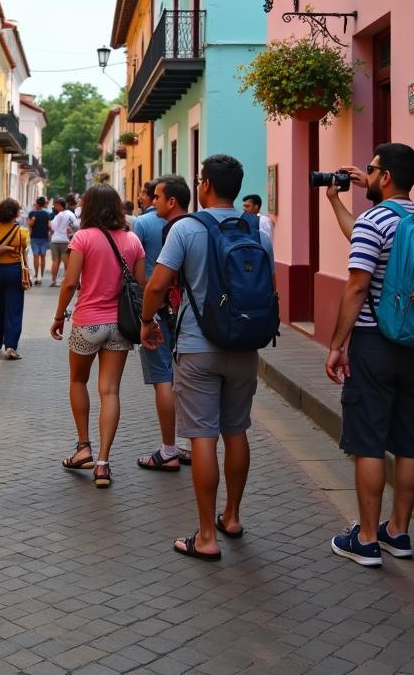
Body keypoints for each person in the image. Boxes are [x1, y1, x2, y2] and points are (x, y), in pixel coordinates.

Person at [141, 154, 273, 561]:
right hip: (245, 345)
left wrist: (147, 321)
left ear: (205, 186)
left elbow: (158, 285)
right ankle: (231, 518)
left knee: (202, 437)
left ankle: (205, 536)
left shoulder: (186, 229)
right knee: (237, 431)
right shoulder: (258, 231)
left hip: (199, 347)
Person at [324, 144, 414, 567]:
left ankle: (368, 539)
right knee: (409, 440)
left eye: (371, 171)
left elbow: (357, 284)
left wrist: (337, 345)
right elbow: (361, 239)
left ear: (386, 176)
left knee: (369, 441)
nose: (366, 176)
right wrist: (336, 199)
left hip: (375, 344)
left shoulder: (375, 221)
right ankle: (399, 532)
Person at [50, 185, 145, 488]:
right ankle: (103, 463)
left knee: (78, 381)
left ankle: (83, 448)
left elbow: (69, 283)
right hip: (120, 325)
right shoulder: (132, 240)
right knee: (110, 391)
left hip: (88, 323)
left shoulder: (83, 238)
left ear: (88, 207)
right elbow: (141, 284)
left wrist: (57, 317)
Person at [134, 175, 191, 472]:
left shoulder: (144, 225)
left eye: (156, 197)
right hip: (188, 314)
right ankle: (191, 445)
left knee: (163, 378)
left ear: (171, 201)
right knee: (187, 379)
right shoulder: (199, 224)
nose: (150, 202)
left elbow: (143, 275)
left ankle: (169, 449)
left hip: (158, 307)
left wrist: (145, 317)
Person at [0, 197, 30, 359]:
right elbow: (24, 252)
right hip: (14, 271)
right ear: (16, 213)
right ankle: (11, 346)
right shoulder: (22, 232)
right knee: (14, 309)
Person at [48, 196, 76, 287]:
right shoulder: (70, 214)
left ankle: (53, 280)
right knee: (66, 262)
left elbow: (52, 227)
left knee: (55, 261)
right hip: (65, 240)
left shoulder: (59, 215)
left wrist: (50, 224)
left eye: (56, 205)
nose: (54, 207)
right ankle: (65, 280)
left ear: (60, 205)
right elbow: (75, 225)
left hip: (55, 240)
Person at [25, 195, 53, 286]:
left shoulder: (32, 213)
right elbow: (49, 226)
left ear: (37, 204)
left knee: (36, 256)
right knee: (43, 257)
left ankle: (37, 275)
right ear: (44, 204)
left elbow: (31, 224)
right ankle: (42, 275)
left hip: (34, 237)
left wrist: (29, 221)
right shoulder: (47, 214)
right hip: (44, 237)